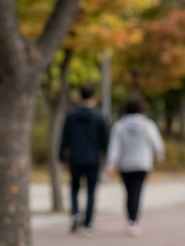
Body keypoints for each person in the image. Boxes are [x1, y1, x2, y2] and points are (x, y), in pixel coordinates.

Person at [108, 96, 165, 236]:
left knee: (128, 193)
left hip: (125, 165)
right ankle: (133, 222)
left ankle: (130, 220)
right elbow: (156, 141)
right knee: (137, 192)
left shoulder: (119, 125)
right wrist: (159, 154)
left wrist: (111, 162)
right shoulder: (148, 125)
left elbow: (114, 146)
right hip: (142, 163)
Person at [61, 84, 108, 235]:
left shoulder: (71, 115)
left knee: (74, 188)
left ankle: (75, 213)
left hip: (75, 157)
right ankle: (88, 224)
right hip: (93, 158)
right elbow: (104, 140)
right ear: (93, 97)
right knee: (91, 191)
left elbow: (65, 138)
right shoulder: (99, 116)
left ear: (79, 97)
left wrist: (62, 156)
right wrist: (105, 157)